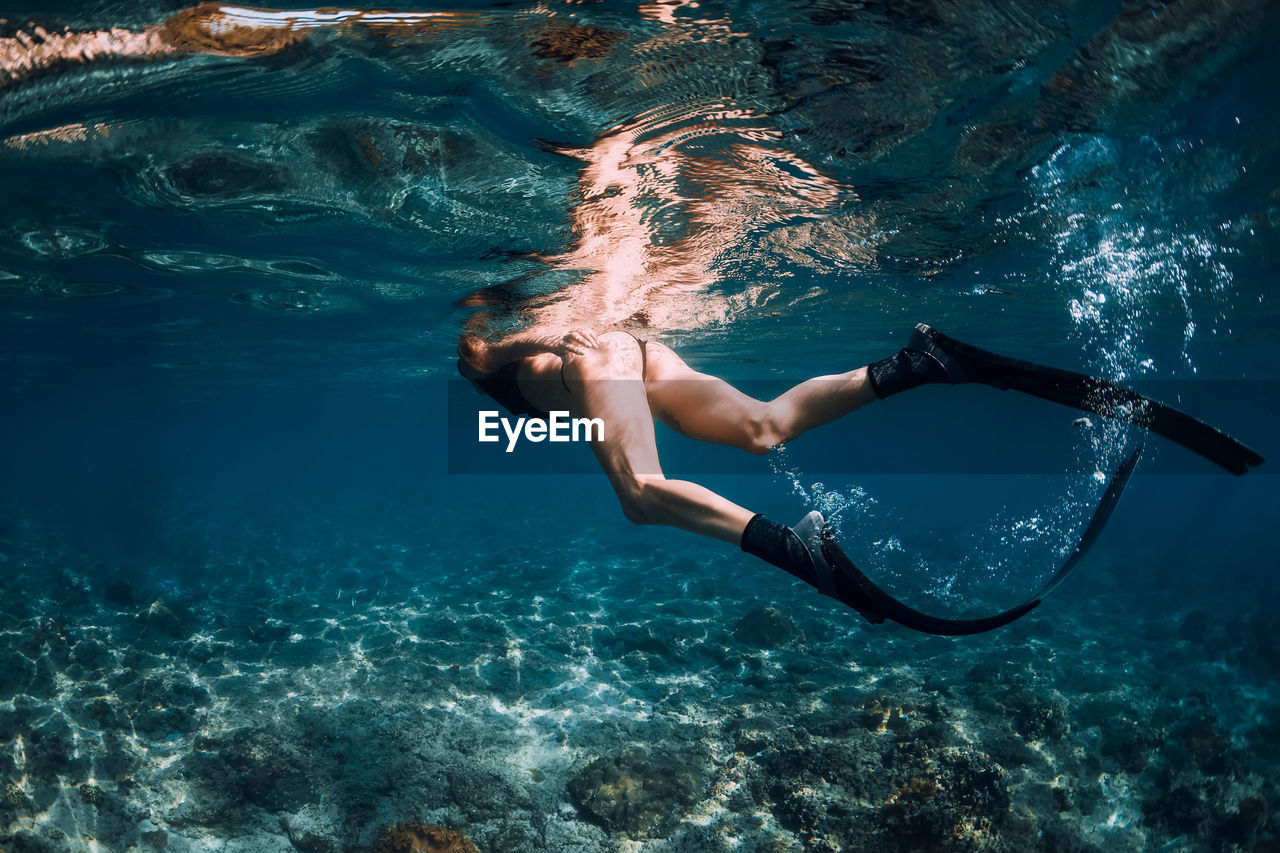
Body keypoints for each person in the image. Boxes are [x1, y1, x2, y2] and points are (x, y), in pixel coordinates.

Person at [458, 322, 1263, 634]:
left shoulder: (486, 360)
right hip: (624, 343)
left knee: (640, 496)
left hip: (597, 351)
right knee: (761, 426)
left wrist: (532, 324)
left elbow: (483, 348)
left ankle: (796, 548)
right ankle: (921, 364)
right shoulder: (526, 375)